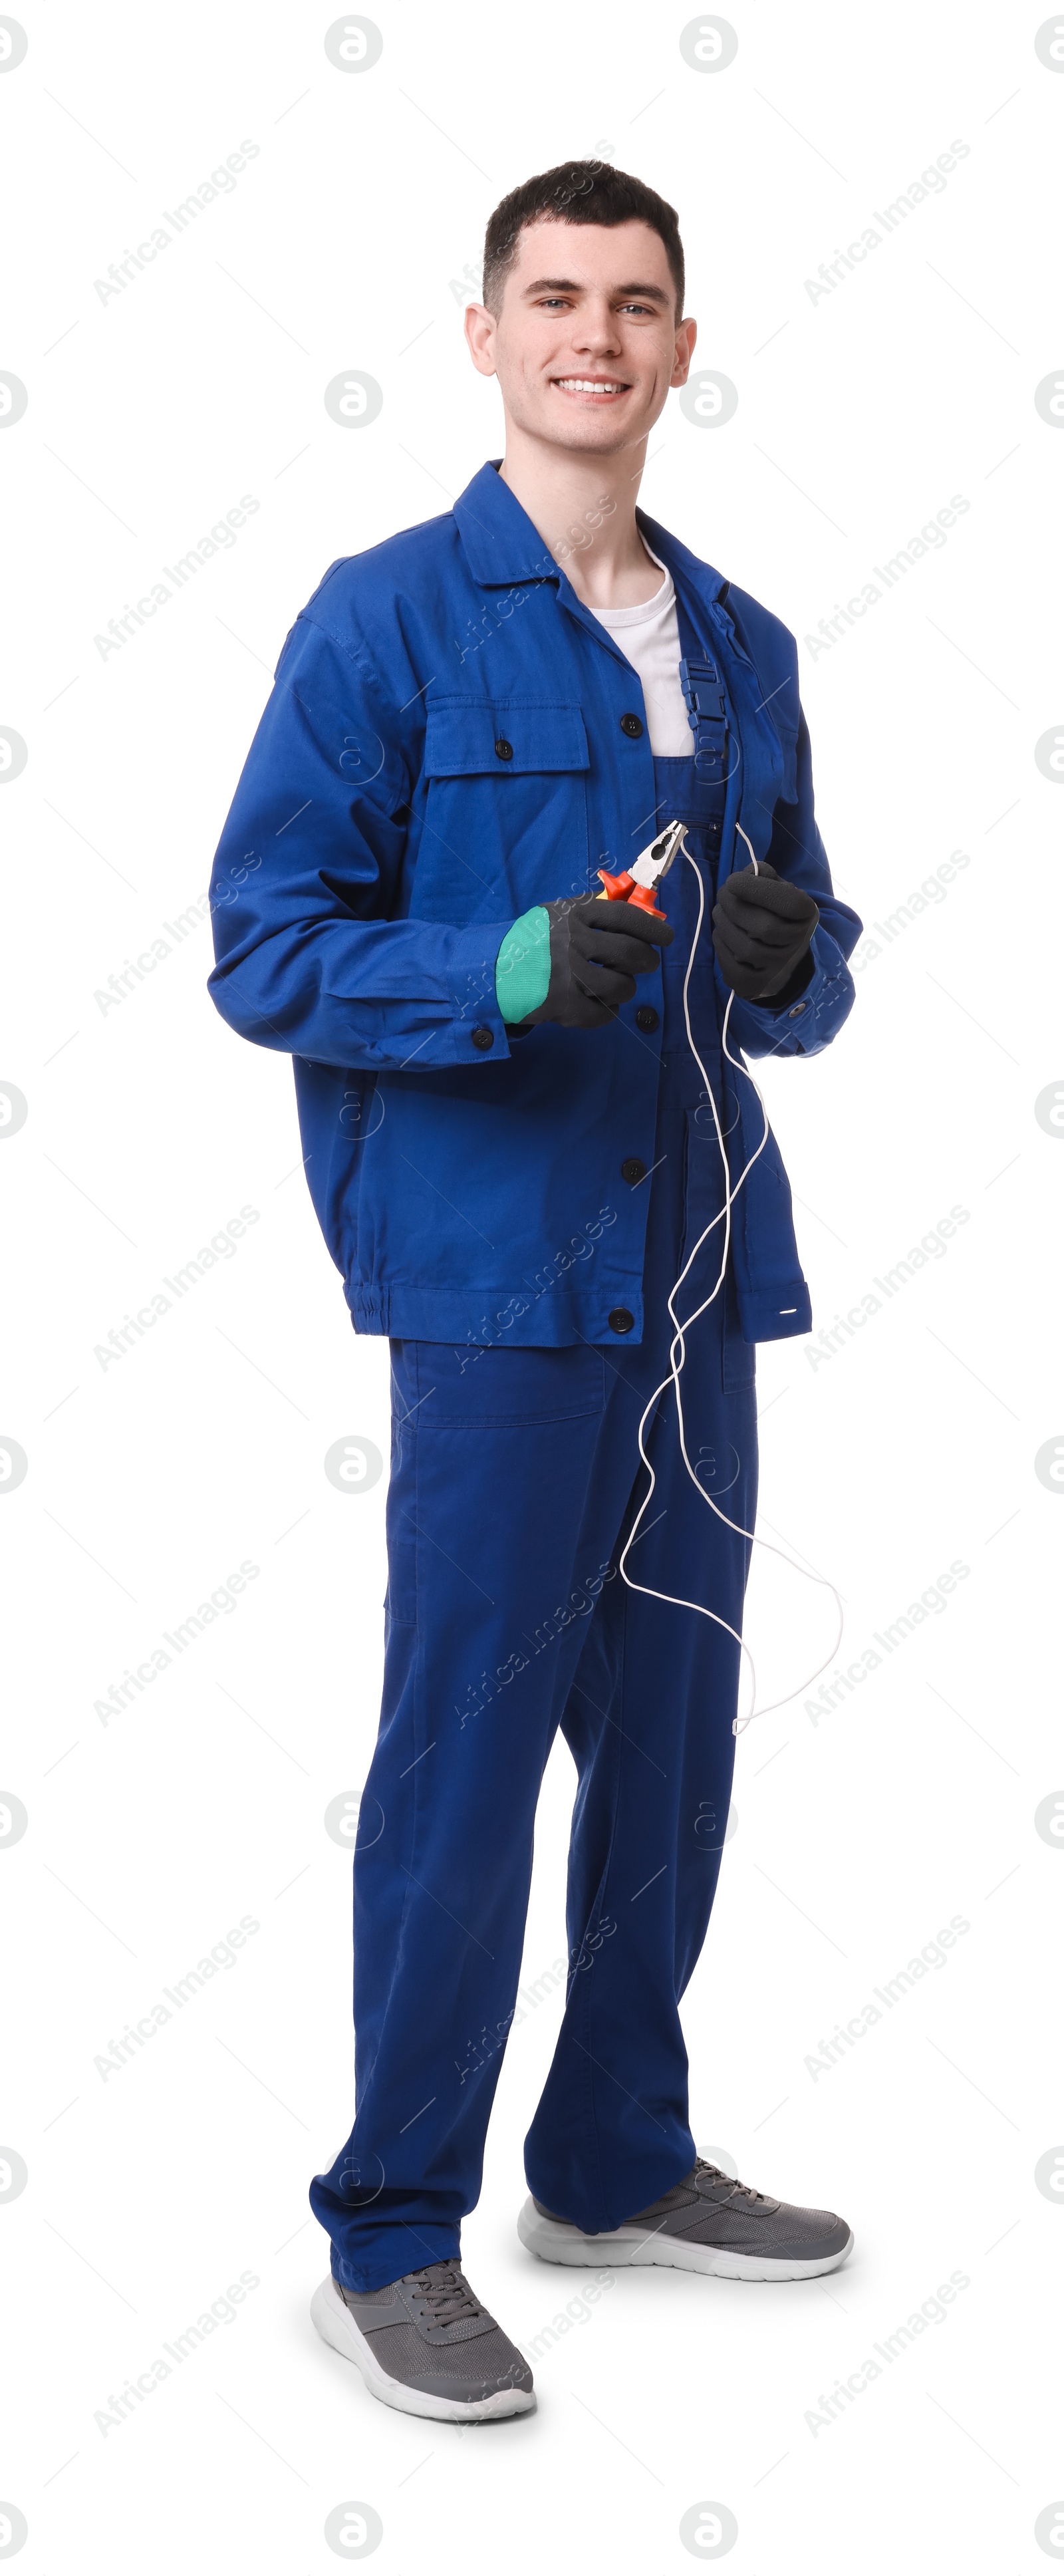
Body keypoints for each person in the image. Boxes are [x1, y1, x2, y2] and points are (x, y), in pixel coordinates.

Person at [207, 160, 863, 2428]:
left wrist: (796, 964)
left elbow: (814, 976)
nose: (599, 333)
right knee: (465, 1763)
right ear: (485, 334)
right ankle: (394, 2225)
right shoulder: (385, 622)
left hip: (697, 1285)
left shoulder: (749, 644)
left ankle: (613, 2160)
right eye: (556, 297)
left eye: (640, 301)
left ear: (688, 345)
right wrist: (491, 965)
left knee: (669, 1752)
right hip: (496, 1295)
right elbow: (262, 945)